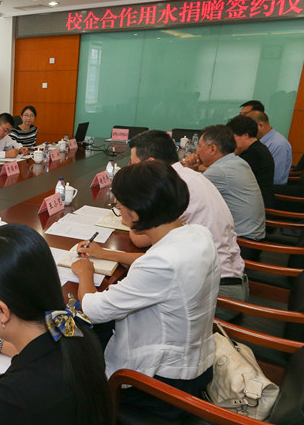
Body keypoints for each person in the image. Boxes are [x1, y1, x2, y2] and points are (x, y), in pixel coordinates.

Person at [70, 161, 220, 420]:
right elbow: (156, 262)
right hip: (196, 364)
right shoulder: (198, 234)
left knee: (73, 335)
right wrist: (106, 254)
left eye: (119, 206)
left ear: (136, 213)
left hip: (162, 386)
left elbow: (92, 309)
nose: (118, 209)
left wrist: (85, 273)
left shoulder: (161, 263)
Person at [0, 224, 112, 424]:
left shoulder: (17, 393)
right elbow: (41, 355)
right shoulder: (72, 326)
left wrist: (4, 397)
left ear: (2, 311)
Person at [128, 130, 247, 320]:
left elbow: (139, 239)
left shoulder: (171, 186)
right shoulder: (187, 176)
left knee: (130, 311)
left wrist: (128, 211)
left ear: (149, 163)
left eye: (133, 163)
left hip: (219, 295)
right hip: (229, 281)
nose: (130, 169)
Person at [184, 125, 266, 241]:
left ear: (212, 149)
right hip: (252, 232)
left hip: (243, 240)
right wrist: (194, 170)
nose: (197, 151)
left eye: (199, 146)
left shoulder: (219, 171)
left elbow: (186, 194)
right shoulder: (237, 161)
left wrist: (188, 169)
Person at [226, 115, 275, 207]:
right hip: (252, 198)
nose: (231, 141)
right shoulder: (257, 147)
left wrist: (201, 167)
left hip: (256, 203)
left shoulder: (254, 154)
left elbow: (228, 173)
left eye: (233, 137)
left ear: (245, 135)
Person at [247, 110, 292, 184]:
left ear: (260, 125)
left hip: (269, 187)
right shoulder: (260, 141)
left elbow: (275, 178)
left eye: (249, 129)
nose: (248, 133)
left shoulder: (278, 144)